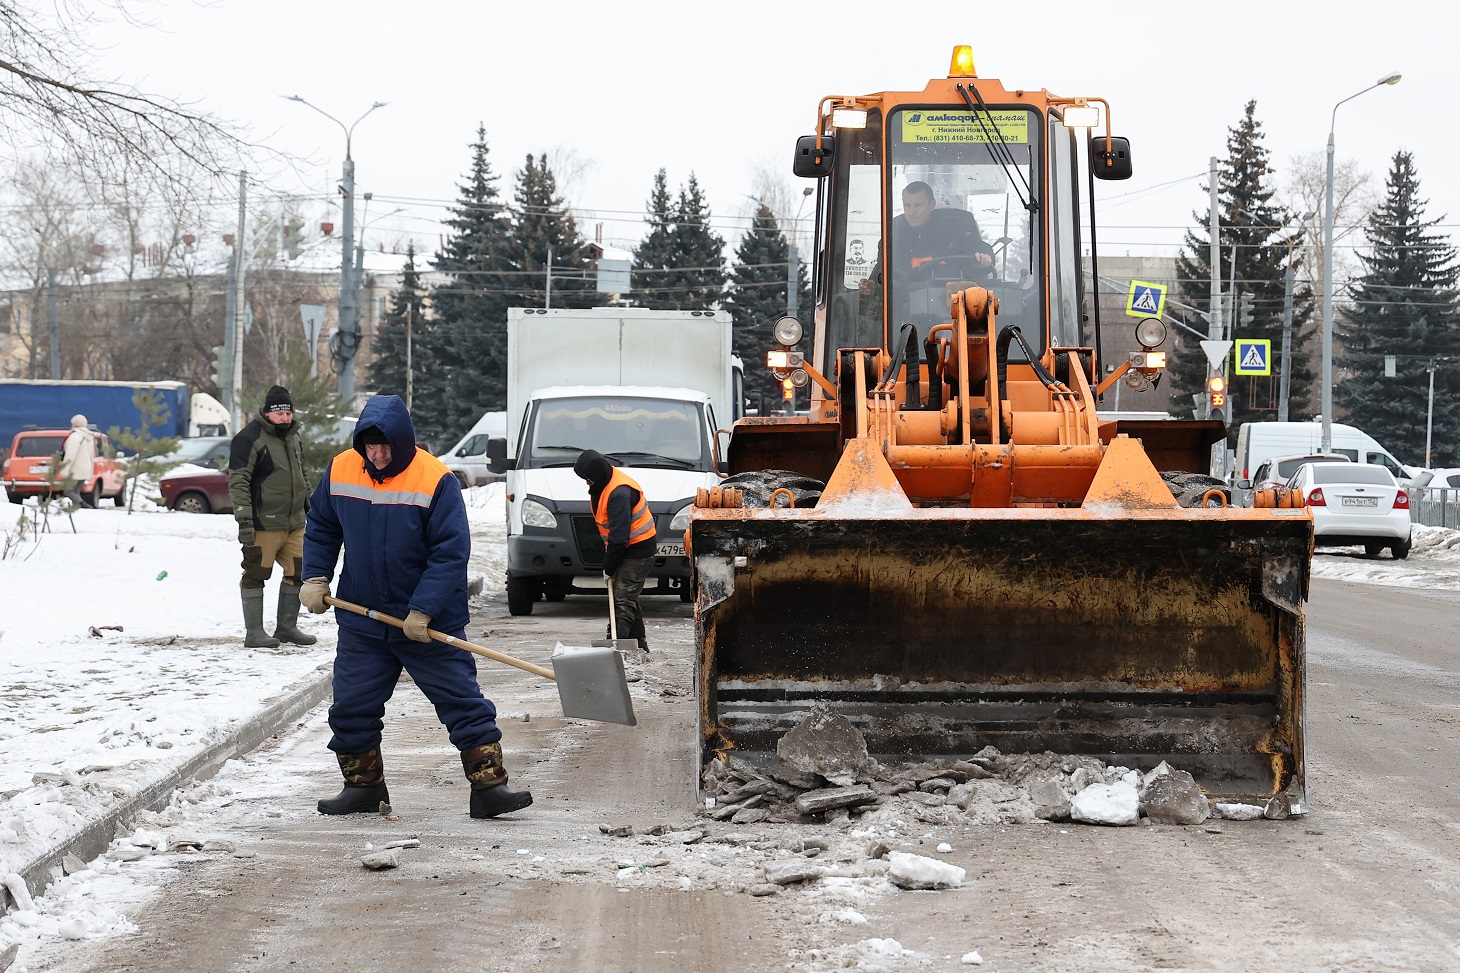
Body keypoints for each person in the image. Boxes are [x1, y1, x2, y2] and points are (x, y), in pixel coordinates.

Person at [299, 394, 532, 820]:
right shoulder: (341, 469)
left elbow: (450, 552)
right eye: (369, 445)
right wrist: (315, 575)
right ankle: (363, 788)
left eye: (385, 445)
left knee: (462, 703)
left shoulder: (435, 480)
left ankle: (490, 788)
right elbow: (321, 524)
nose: (378, 454)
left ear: (404, 442)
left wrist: (423, 609)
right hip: (361, 616)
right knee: (351, 705)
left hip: (426, 622)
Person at [228, 385, 316, 649]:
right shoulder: (249, 438)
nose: (285, 418)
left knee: (299, 572)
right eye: (280, 413)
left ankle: (287, 628)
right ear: (267, 413)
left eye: (288, 412)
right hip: (263, 523)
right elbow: (239, 481)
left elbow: (303, 475)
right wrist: (244, 520)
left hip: (294, 523)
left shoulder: (294, 437)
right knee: (256, 573)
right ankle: (254, 633)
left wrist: (312, 507)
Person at [572, 449, 654, 651]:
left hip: (639, 548)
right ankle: (640, 646)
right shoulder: (605, 483)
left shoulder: (619, 493)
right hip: (624, 546)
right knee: (627, 595)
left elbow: (619, 538)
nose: (586, 483)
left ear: (597, 476)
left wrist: (609, 567)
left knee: (623, 599)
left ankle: (614, 648)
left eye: (588, 479)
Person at [890, 181, 994, 278]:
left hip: (956, 293)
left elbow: (975, 246)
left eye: (917, 205)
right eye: (907, 206)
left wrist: (983, 256)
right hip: (908, 295)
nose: (911, 212)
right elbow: (883, 269)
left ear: (932, 205)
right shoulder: (894, 231)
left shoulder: (956, 226)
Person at [58, 414, 97, 507]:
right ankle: (77, 509)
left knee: (68, 491)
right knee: (76, 492)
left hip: (75, 469)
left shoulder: (75, 436)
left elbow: (70, 455)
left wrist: (65, 470)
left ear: (75, 424)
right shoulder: (90, 437)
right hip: (85, 469)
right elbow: (92, 455)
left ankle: (84, 506)